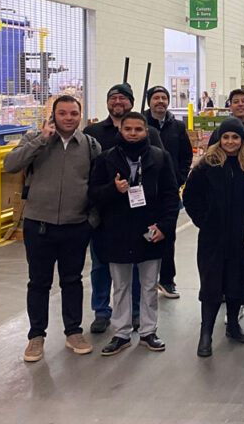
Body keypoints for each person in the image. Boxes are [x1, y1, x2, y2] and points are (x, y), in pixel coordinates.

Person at [3, 95, 100, 362]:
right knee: (38, 282)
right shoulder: (36, 139)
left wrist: (90, 220)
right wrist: (41, 140)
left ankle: (73, 332)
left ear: (80, 116)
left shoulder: (90, 145)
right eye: (63, 113)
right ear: (53, 116)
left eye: (73, 113)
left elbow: (97, 184)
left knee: (72, 281)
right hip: (39, 225)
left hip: (76, 226)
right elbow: (10, 164)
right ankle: (36, 337)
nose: (68, 118)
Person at [88, 112, 180, 356]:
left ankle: (149, 331)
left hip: (150, 231)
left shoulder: (160, 158)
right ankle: (121, 333)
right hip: (117, 232)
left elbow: (171, 196)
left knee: (149, 285)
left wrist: (165, 226)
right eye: (128, 129)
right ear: (121, 131)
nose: (132, 133)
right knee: (121, 286)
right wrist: (113, 189)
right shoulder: (106, 159)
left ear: (146, 132)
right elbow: (93, 194)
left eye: (138, 129)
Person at [182, 117, 244, 357]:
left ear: (242, 140)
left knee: (236, 283)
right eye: (226, 137)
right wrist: (204, 221)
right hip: (213, 238)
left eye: (235, 137)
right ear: (220, 138)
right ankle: (205, 333)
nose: (230, 142)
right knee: (211, 285)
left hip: (240, 236)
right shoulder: (206, 166)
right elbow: (190, 198)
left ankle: (234, 326)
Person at [84, 83, 161, 334]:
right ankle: (102, 311)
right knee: (101, 266)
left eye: (123, 98)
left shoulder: (149, 133)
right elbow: (89, 178)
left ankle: (137, 312)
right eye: (113, 98)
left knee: (139, 268)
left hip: (141, 215)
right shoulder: (93, 132)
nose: (118, 102)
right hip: (107, 215)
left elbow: (162, 167)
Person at [145, 86, 192, 299]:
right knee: (143, 235)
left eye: (164, 98)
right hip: (143, 193)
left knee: (168, 235)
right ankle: (145, 282)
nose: (160, 101)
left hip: (169, 192)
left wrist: (178, 179)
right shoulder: (140, 124)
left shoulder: (177, 127)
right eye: (156, 98)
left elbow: (186, 155)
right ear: (149, 102)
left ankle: (166, 280)